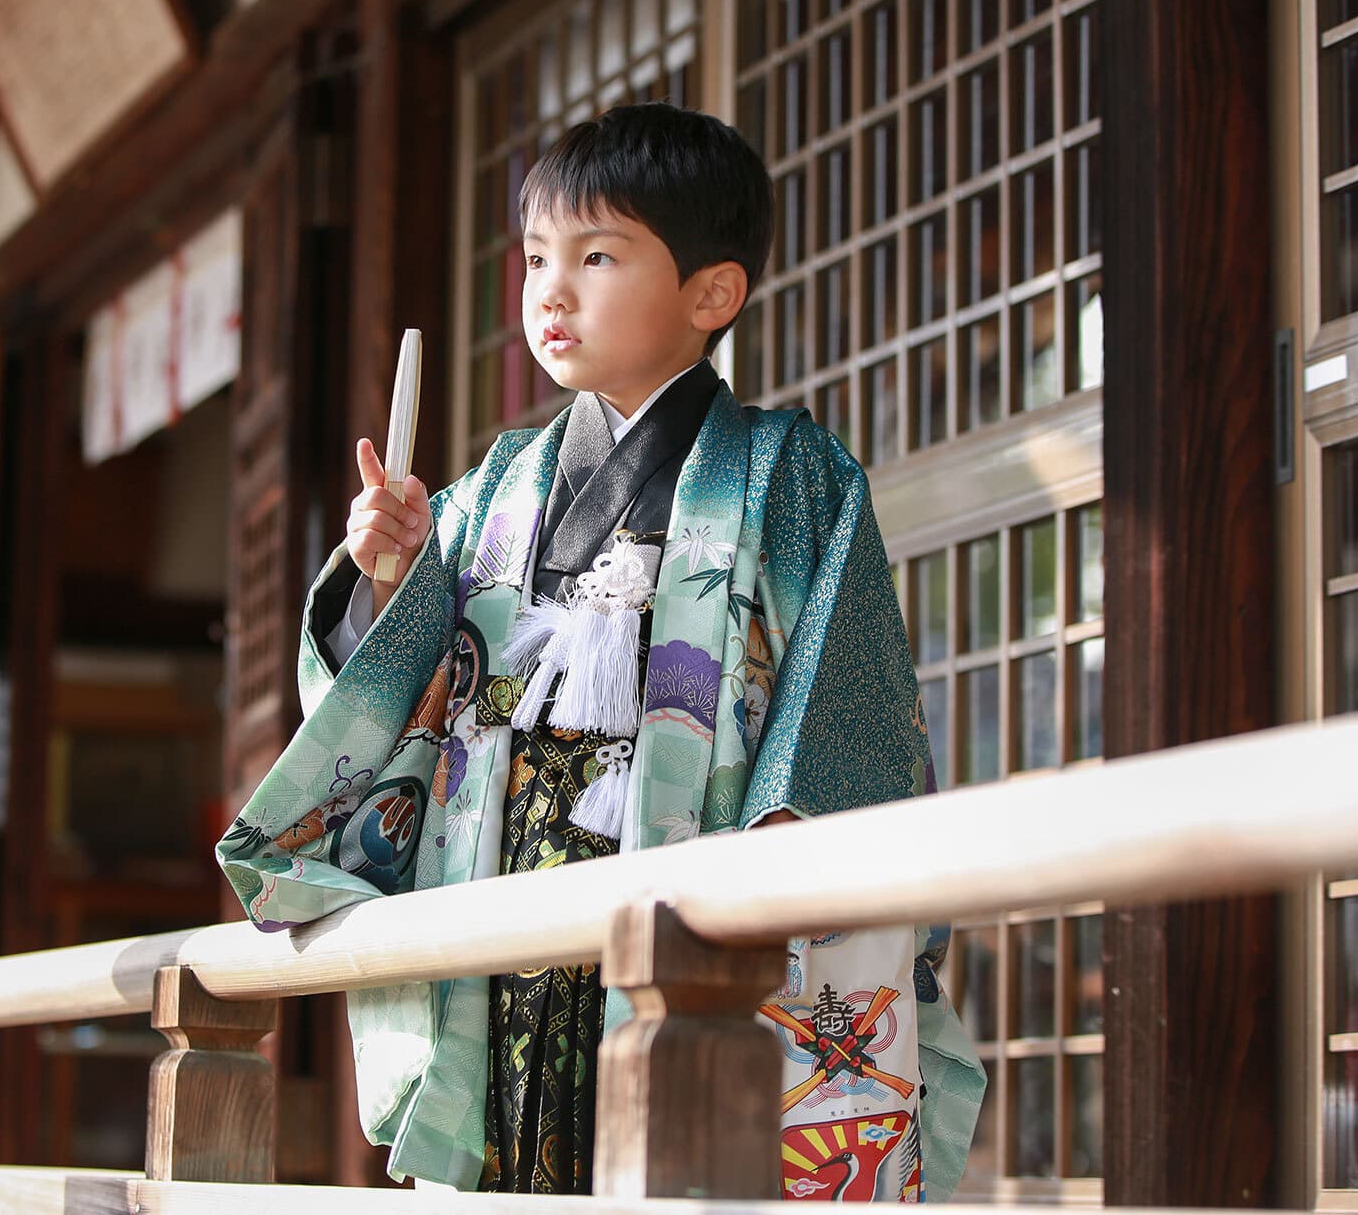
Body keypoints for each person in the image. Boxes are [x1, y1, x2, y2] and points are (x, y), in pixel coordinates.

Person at [217, 102, 982, 1199]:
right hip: (506, 909)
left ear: (711, 294)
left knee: (668, 1163)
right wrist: (380, 587)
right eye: (535, 258)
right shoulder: (488, 494)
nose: (549, 292)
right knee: (524, 1155)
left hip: (688, 901)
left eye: (595, 256)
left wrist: (770, 860)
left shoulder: (788, 472)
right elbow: (396, 704)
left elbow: (840, 699)